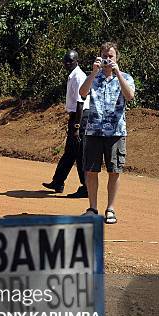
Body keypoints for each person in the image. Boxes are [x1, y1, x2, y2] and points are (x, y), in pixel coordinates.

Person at [79, 42, 135, 223]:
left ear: (117, 57)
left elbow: (130, 96)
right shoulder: (93, 77)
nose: (108, 59)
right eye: (105, 55)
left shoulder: (125, 77)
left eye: (111, 56)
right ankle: (92, 208)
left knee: (114, 171)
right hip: (94, 131)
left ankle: (110, 209)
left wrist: (117, 73)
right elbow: (82, 92)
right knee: (91, 171)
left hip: (116, 133)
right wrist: (94, 72)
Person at [42, 50, 90, 198]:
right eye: (65, 61)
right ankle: (58, 181)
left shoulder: (78, 77)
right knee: (70, 152)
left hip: (80, 118)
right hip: (75, 117)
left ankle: (86, 187)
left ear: (77, 61)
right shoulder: (73, 75)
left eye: (70, 60)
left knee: (80, 153)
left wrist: (76, 126)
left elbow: (80, 103)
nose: (67, 63)